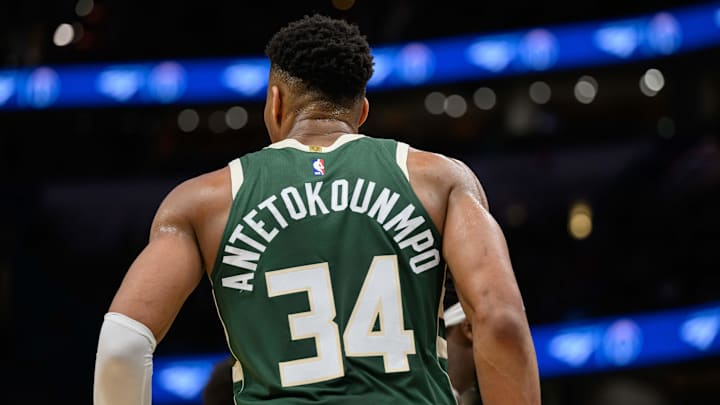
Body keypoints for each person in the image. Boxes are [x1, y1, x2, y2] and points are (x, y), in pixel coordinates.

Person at [93, 13, 541, 405]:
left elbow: (122, 344)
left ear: (275, 102)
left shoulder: (202, 202)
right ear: (362, 111)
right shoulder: (439, 179)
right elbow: (500, 322)